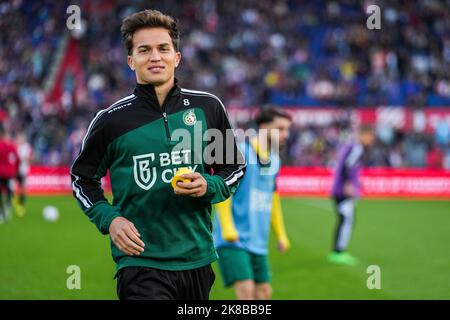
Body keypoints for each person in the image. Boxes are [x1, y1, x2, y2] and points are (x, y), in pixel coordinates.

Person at [70, 9, 245, 300]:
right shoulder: (110, 121)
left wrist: (209, 185)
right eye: (144, 50)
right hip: (140, 263)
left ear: (177, 57)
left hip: (197, 260)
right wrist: (110, 219)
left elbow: (234, 168)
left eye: (163, 48)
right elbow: (82, 179)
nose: (155, 57)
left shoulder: (209, 108)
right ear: (131, 61)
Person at [213, 106, 291, 300]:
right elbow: (224, 190)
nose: (285, 135)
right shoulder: (241, 152)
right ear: (264, 127)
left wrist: (281, 234)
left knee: (264, 293)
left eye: (287, 129)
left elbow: (272, 198)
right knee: (246, 292)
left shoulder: (274, 160)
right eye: (280, 129)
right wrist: (228, 228)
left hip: (258, 241)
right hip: (234, 240)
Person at [328, 125, 375, 266]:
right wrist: (349, 184)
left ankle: (337, 251)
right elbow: (348, 166)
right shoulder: (356, 148)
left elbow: (348, 166)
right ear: (363, 135)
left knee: (345, 220)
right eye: (370, 136)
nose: (371, 140)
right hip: (343, 191)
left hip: (340, 189)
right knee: (346, 220)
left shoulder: (352, 147)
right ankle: (338, 252)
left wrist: (356, 182)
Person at [0, 125, 20, 224]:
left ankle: (2, 213)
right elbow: (17, 160)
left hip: (1, 174)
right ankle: (7, 211)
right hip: (9, 174)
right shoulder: (12, 146)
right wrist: (15, 171)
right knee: (9, 193)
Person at [13, 132, 32, 217]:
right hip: (14, 170)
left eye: (21, 138)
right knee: (14, 186)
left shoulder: (26, 147)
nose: (19, 140)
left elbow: (29, 158)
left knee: (22, 187)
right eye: (18, 138)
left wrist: (24, 158)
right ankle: (15, 201)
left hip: (23, 170)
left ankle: (20, 204)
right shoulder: (14, 146)